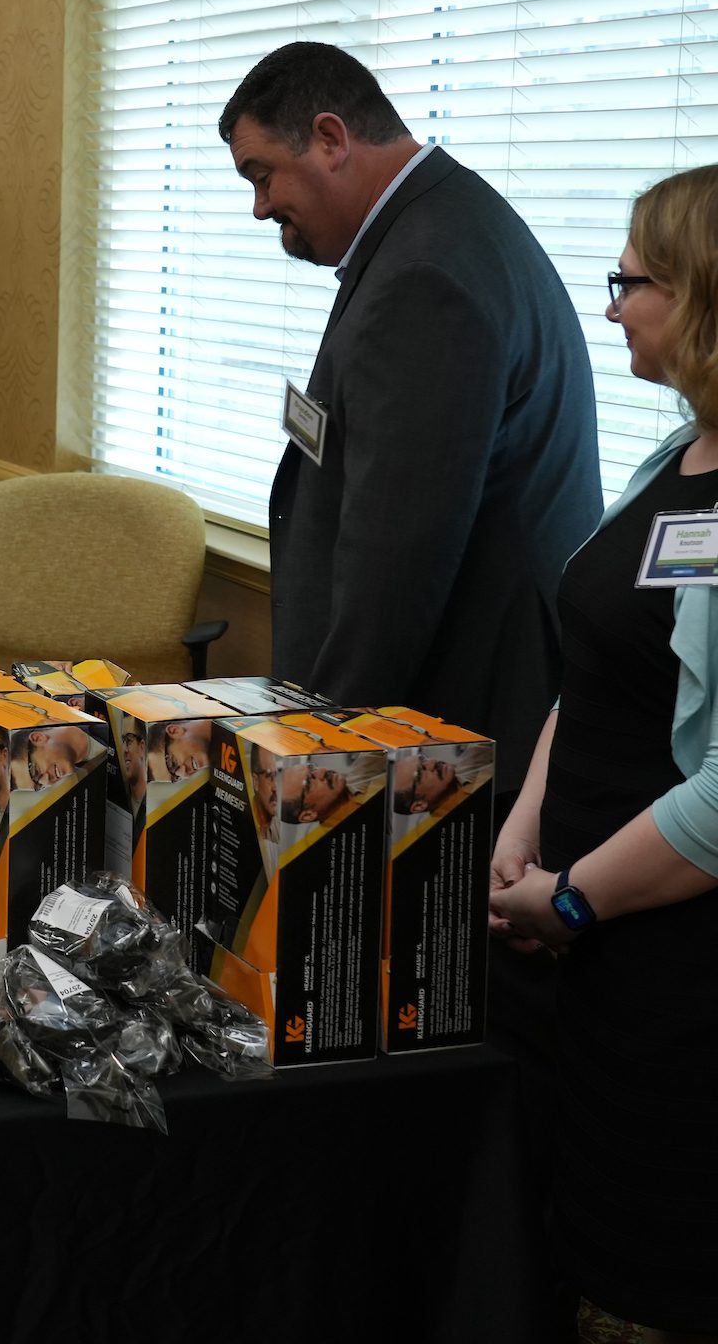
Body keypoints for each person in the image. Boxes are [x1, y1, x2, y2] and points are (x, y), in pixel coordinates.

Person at [219, 42, 602, 795]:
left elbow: (395, 564)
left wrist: (325, 754)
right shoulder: (434, 225)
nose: (260, 207)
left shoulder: (425, 273)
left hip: (452, 716)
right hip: (458, 697)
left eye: (262, 176)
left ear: (330, 139)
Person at [489, 164, 718, 1344]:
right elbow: (599, 668)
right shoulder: (675, 459)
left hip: (677, 983)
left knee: (649, 1281)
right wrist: (526, 817)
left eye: (632, 282)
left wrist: (573, 898)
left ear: (703, 293)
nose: (613, 305)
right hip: (588, 963)